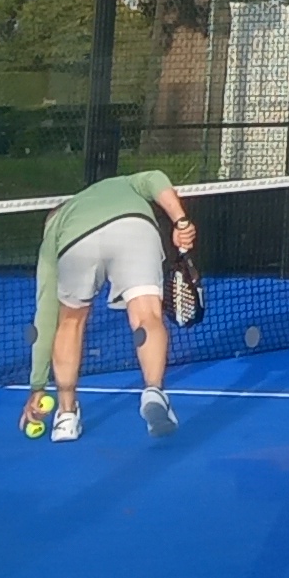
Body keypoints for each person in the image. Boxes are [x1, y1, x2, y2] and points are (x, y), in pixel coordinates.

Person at [21, 168, 197, 442]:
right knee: (147, 315)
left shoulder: (56, 228)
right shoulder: (122, 183)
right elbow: (155, 179)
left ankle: (66, 416)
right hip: (135, 227)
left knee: (70, 322)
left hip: (77, 242)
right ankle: (153, 391)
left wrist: (38, 385)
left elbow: (46, 313)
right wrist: (181, 221)